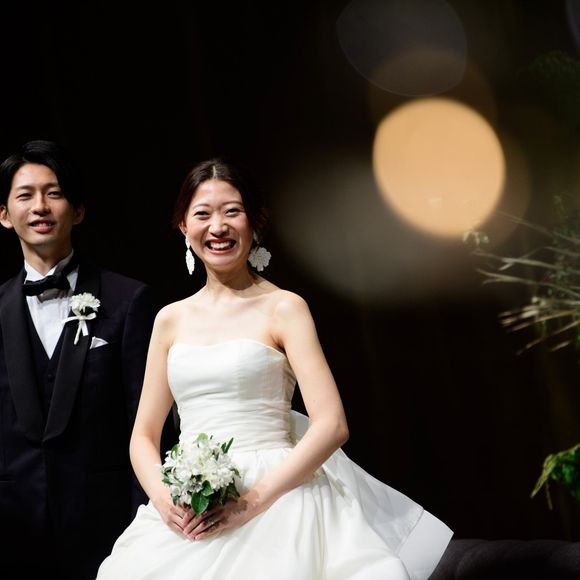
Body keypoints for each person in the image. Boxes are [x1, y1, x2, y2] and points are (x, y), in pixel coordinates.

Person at [96, 157, 453, 580]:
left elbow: (332, 425)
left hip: (279, 491)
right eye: (203, 214)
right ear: (183, 227)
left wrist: (252, 502)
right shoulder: (169, 319)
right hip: (191, 503)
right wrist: (164, 499)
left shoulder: (284, 307)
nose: (218, 227)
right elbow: (143, 435)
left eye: (232, 211)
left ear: (255, 223)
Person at [0, 139, 167, 580]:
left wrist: (147, 525)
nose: (40, 206)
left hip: (109, 527)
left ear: (77, 211)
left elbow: (148, 423)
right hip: (11, 531)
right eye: (25, 195)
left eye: (53, 193)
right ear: (5, 215)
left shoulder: (128, 300)